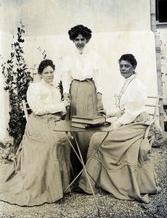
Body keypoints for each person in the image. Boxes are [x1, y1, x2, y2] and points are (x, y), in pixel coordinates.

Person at [75, 54, 161, 204]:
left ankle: (90, 183)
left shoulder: (137, 86)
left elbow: (130, 114)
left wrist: (114, 125)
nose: (123, 69)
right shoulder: (127, 83)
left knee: (97, 138)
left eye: (126, 66)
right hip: (129, 121)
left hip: (136, 125)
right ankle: (91, 182)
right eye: (121, 66)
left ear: (134, 67)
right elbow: (123, 109)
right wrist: (108, 113)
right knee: (97, 136)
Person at [0, 59, 71, 206]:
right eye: (46, 72)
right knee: (51, 144)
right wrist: (60, 106)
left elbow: (60, 109)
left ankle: (61, 187)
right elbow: (38, 109)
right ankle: (45, 187)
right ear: (40, 74)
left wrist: (64, 105)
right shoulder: (35, 87)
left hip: (54, 121)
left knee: (66, 138)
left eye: (51, 72)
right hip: (38, 123)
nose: (49, 75)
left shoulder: (55, 89)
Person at [62, 24, 104, 170]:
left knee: (89, 125)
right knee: (76, 124)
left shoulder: (95, 56)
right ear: (73, 40)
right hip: (75, 90)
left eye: (82, 39)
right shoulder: (68, 57)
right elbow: (66, 78)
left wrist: (99, 98)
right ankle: (77, 165)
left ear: (87, 39)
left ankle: (91, 163)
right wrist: (66, 96)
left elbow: (99, 78)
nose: (80, 42)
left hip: (89, 90)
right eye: (77, 39)